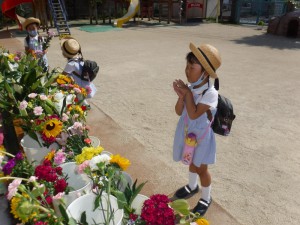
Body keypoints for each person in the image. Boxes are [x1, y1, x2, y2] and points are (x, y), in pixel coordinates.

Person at [172, 43, 221, 216]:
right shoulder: (191, 87)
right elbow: (180, 112)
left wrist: (187, 93)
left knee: (201, 168)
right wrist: (181, 97)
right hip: (189, 134)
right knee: (190, 161)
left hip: (202, 138)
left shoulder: (211, 93)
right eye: (187, 66)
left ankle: (206, 197)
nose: (187, 70)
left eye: (192, 67)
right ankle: (192, 186)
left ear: (205, 73)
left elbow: (193, 114)